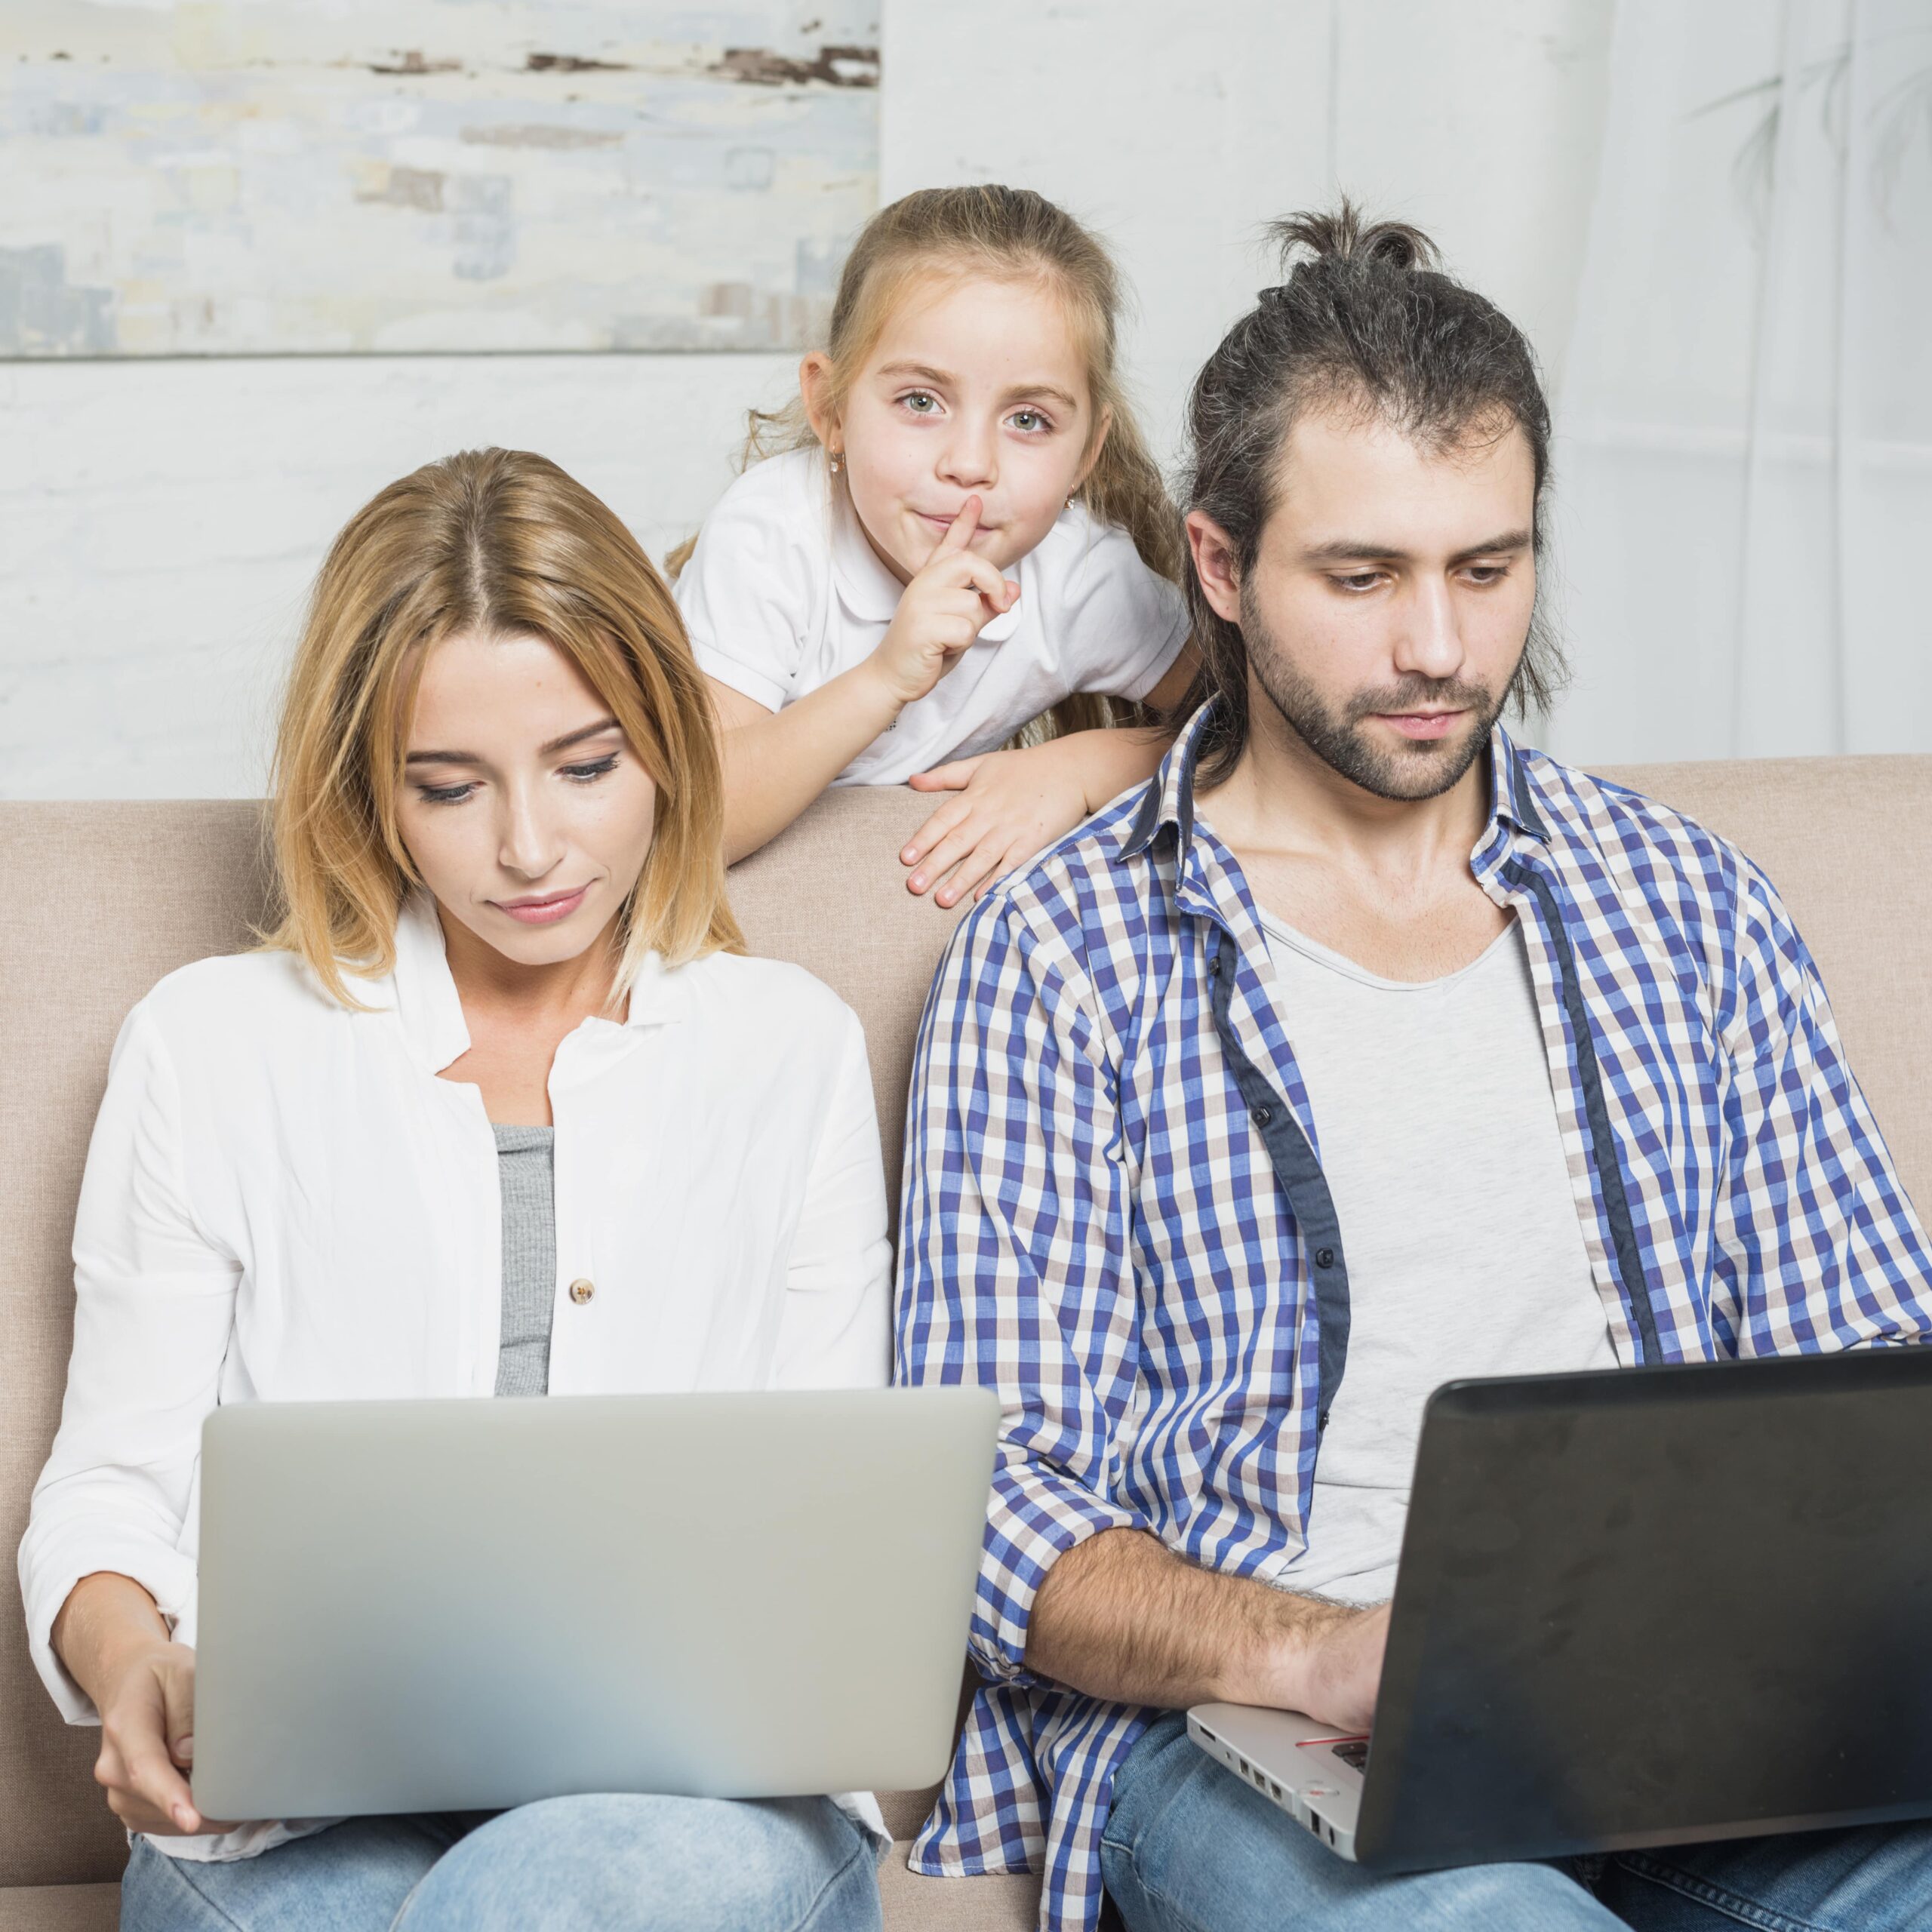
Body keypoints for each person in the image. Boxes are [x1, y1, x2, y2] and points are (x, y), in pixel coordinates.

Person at [894, 208, 1932, 1932]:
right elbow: (992, 1514)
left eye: (1484, 567)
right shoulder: (1063, 956)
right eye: (1361, 576)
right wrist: (1316, 1642)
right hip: (1242, 1735)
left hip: (1696, 1724)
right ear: (1218, 568)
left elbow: (1874, 1354)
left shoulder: (1680, 897)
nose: (1442, 649)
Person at [20, 448, 891, 1932]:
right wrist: (133, 1666)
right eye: (449, 785)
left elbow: (828, 1520)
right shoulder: (210, 1043)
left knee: (569, 1893)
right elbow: (109, 1488)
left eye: (586, 764)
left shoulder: (785, 1048)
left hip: (692, 1821)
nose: (532, 848)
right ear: (368, 780)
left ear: (670, 745)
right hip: (287, 1826)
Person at [672, 183, 1197, 910]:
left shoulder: (1078, 572)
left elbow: (1259, 732)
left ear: (1086, 454)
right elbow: (695, 819)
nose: (971, 462)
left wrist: (1085, 767)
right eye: (921, 401)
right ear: (831, 409)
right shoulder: (772, 534)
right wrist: (886, 677)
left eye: (1029, 419)